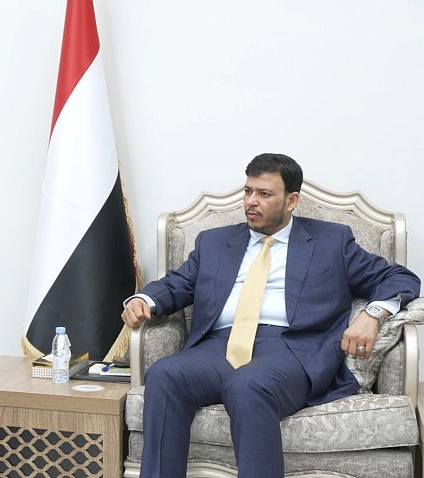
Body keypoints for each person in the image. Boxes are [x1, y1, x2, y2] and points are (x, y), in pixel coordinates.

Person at [121, 153, 420, 478]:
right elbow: (177, 283)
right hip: (220, 346)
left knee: (247, 384)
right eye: (248, 191)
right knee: (165, 374)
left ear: (291, 201)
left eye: (264, 194)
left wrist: (373, 314)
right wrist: (144, 299)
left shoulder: (332, 241)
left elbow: (399, 277)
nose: (251, 201)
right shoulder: (215, 242)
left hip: (293, 349)